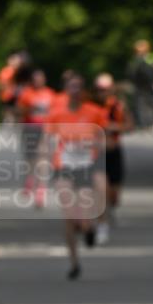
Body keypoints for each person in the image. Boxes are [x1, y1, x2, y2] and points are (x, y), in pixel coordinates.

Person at [42, 74, 107, 279]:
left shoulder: (94, 112)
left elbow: (103, 139)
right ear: (65, 89)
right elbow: (47, 140)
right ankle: (74, 262)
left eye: (79, 87)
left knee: (85, 213)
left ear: (83, 91)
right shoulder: (56, 113)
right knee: (69, 216)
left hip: (86, 167)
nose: (75, 90)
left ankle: (89, 229)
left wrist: (93, 145)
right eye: (72, 87)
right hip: (64, 167)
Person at [90, 72, 133, 242]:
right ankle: (101, 220)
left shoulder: (118, 106)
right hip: (96, 153)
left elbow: (129, 126)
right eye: (100, 89)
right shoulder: (89, 106)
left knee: (114, 194)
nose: (102, 93)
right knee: (101, 188)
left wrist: (113, 127)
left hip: (114, 152)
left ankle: (110, 209)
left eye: (106, 89)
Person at [16, 69, 57, 206]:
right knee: (31, 158)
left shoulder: (50, 93)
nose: (38, 81)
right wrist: (31, 109)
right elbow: (19, 111)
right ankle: (30, 180)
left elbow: (56, 112)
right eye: (36, 79)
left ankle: (41, 190)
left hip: (46, 129)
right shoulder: (27, 93)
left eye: (41, 78)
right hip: (30, 127)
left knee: (44, 157)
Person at [126, 39, 153, 129]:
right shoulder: (134, 61)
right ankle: (143, 125)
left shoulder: (152, 58)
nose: (139, 53)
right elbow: (131, 74)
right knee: (140, 106)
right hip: (140, 87)